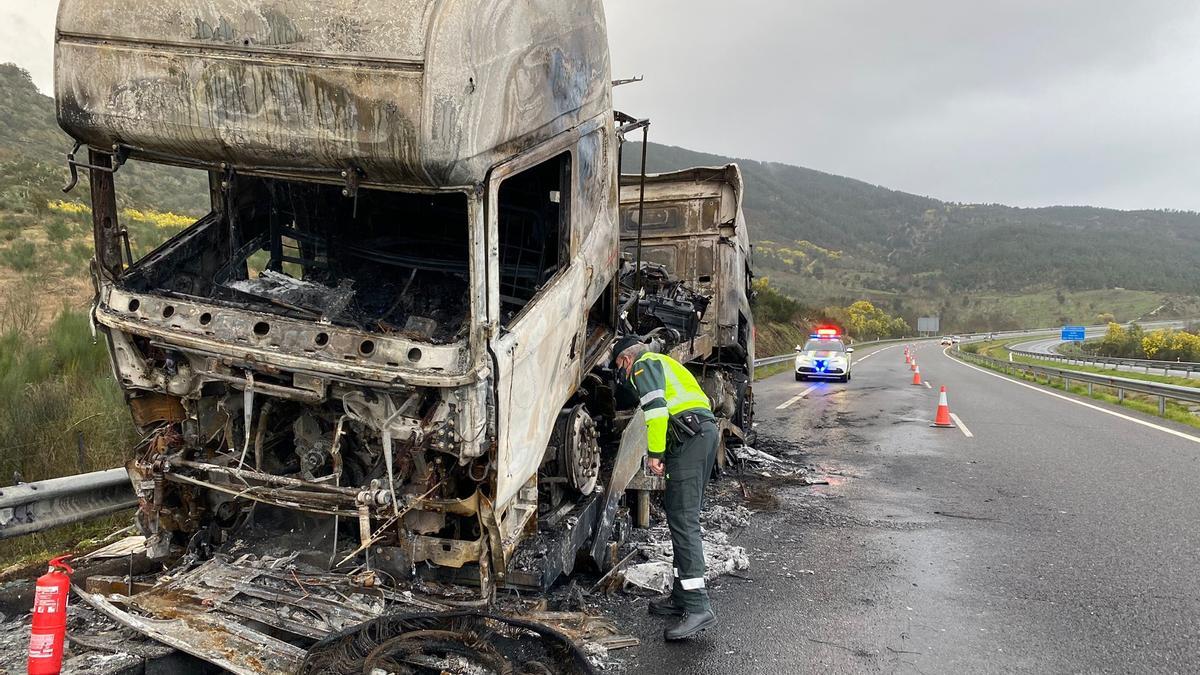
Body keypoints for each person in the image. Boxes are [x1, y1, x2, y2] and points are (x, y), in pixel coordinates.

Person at [611, 336, 719, 640]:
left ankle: (698, 606)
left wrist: (655, 454)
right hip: (698, 435)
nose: (620, 373)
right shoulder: (666, 363)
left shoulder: (643, 366)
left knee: (683, 521)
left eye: (618, 366)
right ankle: (681, 597)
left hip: (689, 437)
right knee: (680, 517)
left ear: (626, 360)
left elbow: (657, 411)